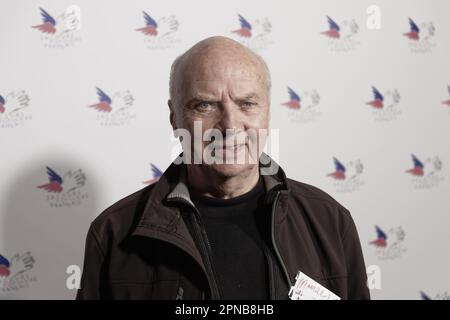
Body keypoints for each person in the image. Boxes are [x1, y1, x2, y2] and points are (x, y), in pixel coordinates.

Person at [76, 36, 370, 300]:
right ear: (174, 117)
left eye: (247, 104)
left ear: (267, 112)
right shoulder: (114, 235)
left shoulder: (330, 222)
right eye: (205, 106)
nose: (230, 125)